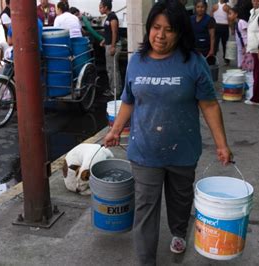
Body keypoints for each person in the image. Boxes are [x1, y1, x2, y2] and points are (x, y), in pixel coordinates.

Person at [103, 1, 232, 264]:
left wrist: (222, 145)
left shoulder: (194, 63)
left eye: (169, 29)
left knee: (180, 201)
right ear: (149, 28)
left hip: (183, 150)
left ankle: (178, 232)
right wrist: (116, 130)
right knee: (145, 208)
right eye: (156, 27)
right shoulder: (137, 61)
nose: (160, 35)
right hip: (144, 151)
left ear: (180, 32)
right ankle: (145, 260)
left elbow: (208, 105)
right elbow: (129, 100)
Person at [99, 0, 121, 97]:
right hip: (108, 44)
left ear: (106, 8)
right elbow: (109, 33)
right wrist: (104, 40)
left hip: (113, 46)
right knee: (110, 68)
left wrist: (112, 46)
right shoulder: (108, 17)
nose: (99, 9)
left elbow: (114, 32)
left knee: (112, 69)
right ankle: (114, 89)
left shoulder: (112, 17)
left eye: (100, 7)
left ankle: (115, 91)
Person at [211, 0, 230, 65]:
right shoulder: (227, 7)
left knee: (215, 43)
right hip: (224, 26)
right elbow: (229, 18)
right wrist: (232, 28)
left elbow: (212, 17)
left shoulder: (214, 6)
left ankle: (212, 59)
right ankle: (226, 60)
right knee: (225, 44)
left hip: (216, 26)